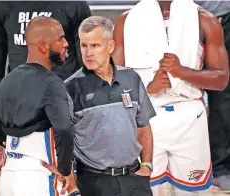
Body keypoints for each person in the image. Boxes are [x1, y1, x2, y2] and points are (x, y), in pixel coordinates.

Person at [113, 0, 229, 195]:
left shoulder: (205, 20)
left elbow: (221, 79)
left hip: (190, 117)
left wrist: (181, 71)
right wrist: (148, 88)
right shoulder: (127, 20)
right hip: (145, 117)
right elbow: (113, 82)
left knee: (192, 191)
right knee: (143, 189)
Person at [0, 17, 78, 196]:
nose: (66, 43)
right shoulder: (52, 83)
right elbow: (64, 129)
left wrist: (7, 142)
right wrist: (66, 169)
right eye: (60, 38)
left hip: (9, 174)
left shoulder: (10, 79)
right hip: (39, 174)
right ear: (44, 47)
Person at [0, 1, 91, 161]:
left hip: (65, 111)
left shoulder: (74, 4)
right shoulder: (4, 5)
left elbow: (87, 65)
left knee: (67, 179)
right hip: (20, 114)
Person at [64, 16, 155, 196]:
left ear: (110, 46)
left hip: (134, 180)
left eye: (95, 46)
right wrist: (73, 189)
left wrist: (147, 166)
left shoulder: (132, 78)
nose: (88, 53)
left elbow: (143, 127)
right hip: (92, 183)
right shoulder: (70, 88)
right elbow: (62, 142)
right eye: (84, 45)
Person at [196, 1, 230, 192]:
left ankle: (221, 167)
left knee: (224, 97)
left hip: (224, 17)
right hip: (189, 20)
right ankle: (218, 167)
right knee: (178, 89)